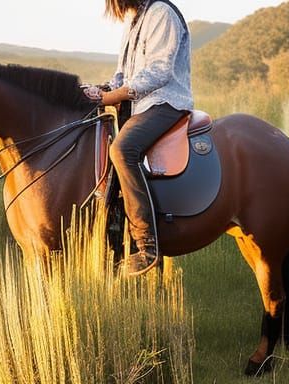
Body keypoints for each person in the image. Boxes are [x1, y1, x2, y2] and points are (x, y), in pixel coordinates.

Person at [85, 0, 193, 276]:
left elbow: (159, 71)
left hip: (166, 102)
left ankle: (147, 244)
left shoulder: (162, 13)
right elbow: (124, 73)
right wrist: (102, 89)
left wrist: (115, 96)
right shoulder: (134, 18)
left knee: (123, 150)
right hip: (140, 105)